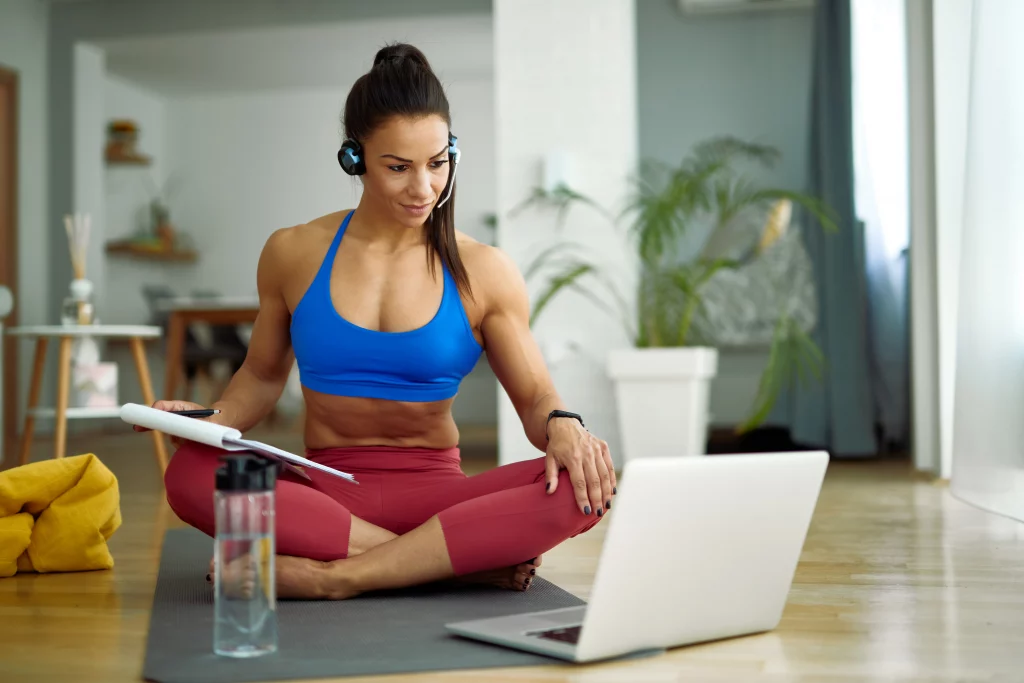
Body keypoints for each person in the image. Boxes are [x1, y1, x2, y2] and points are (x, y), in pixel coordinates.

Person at [142, 43, 616, 601]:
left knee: (585, 485)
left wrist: (564, 424)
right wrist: (206, 422)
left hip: (439, 496)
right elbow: (263, 377)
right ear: (355, 158)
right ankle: (443, 562)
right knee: (190, 474)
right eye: (398, 167)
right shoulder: (293, 252)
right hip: (322, 490)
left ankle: (334, 576)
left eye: (438, 163)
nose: (424, 189)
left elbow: (536, 396)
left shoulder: (486, 270)